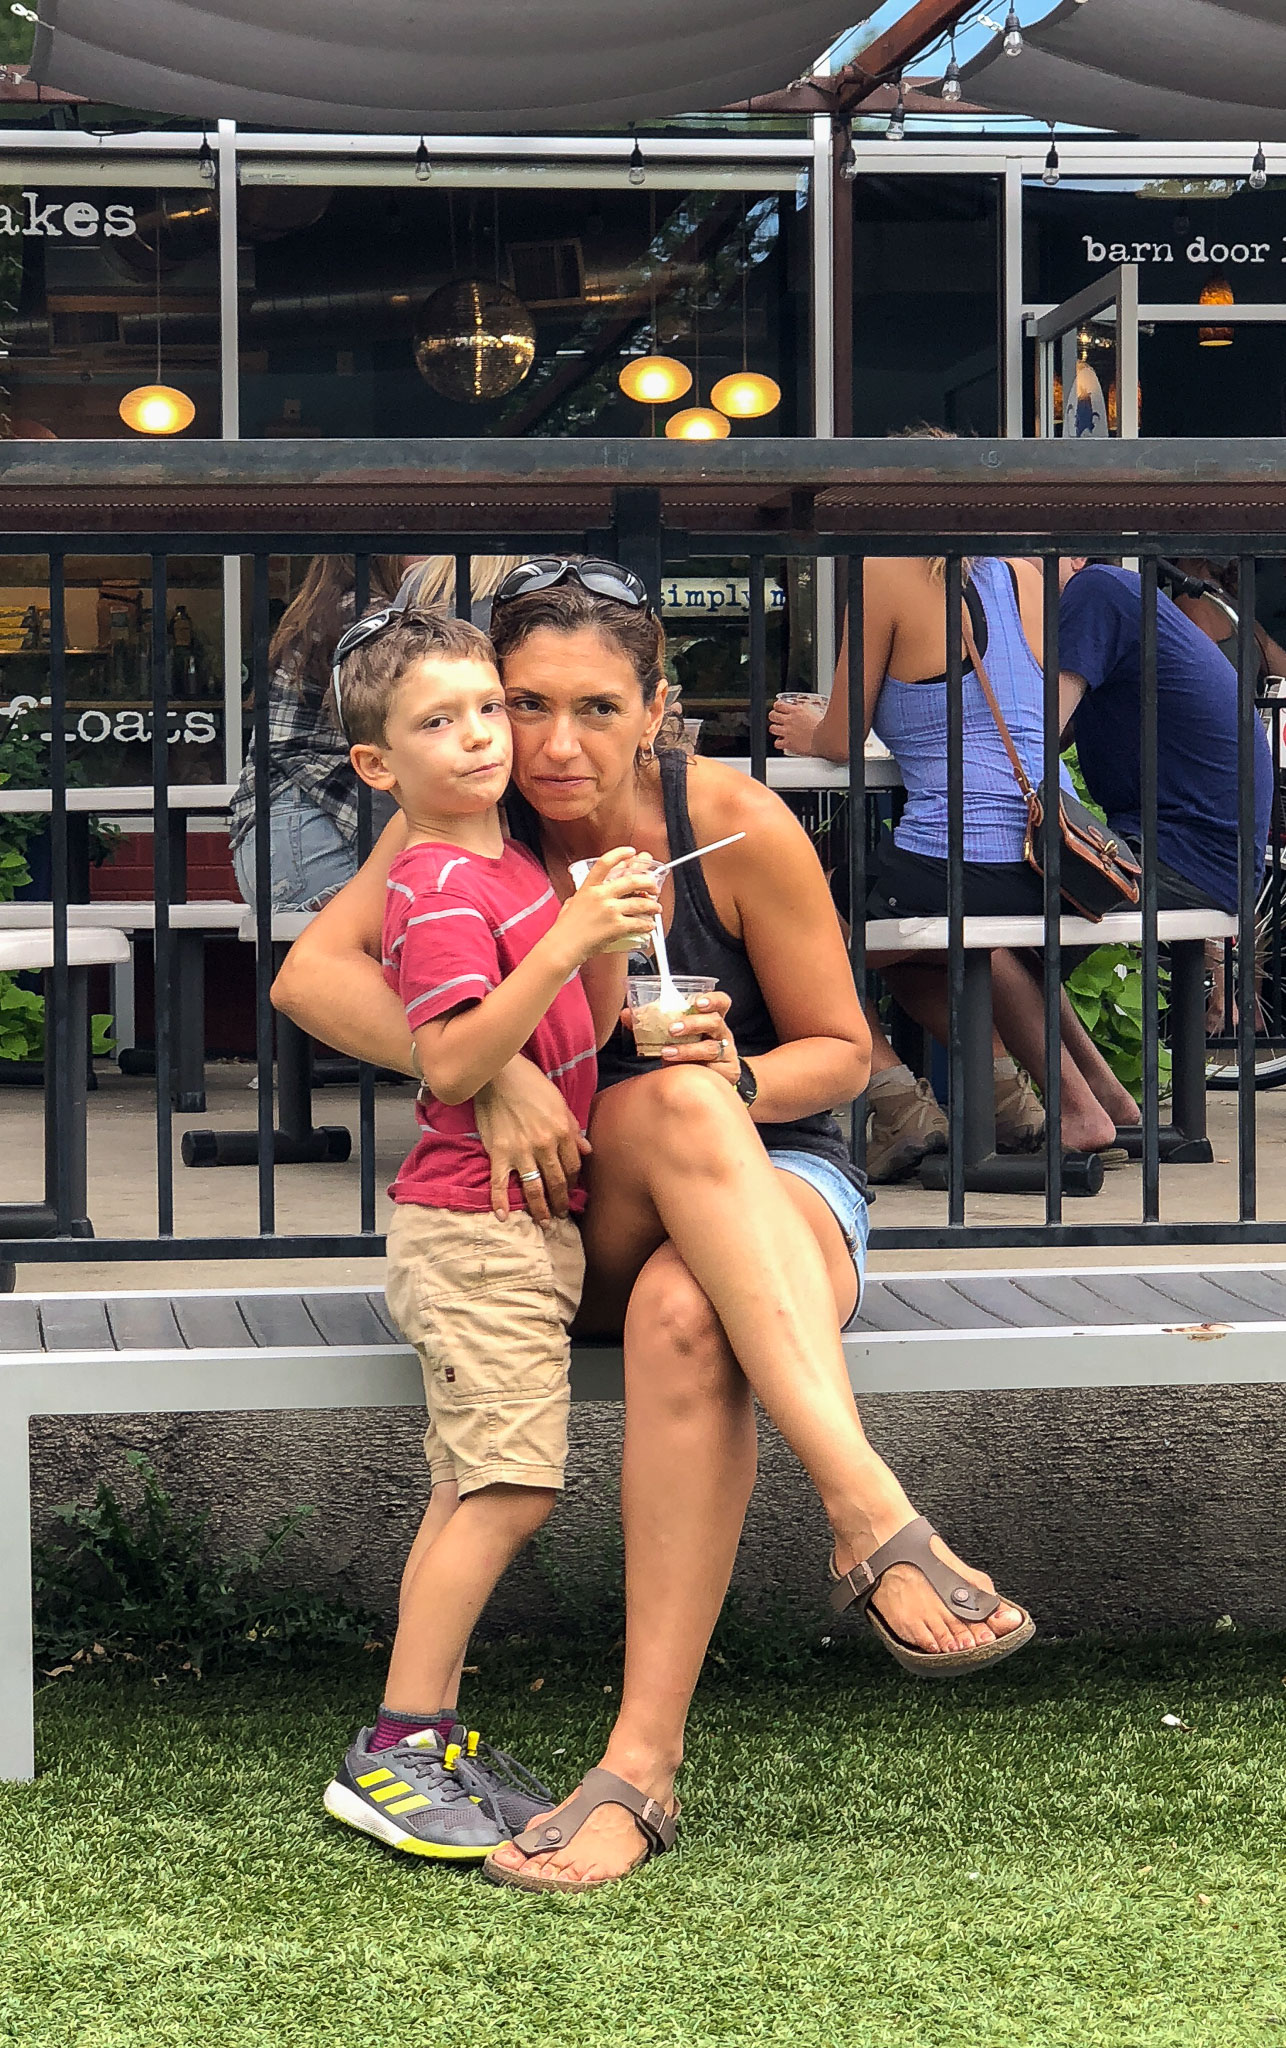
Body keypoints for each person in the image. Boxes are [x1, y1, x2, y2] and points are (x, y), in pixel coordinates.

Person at [274, 555, 1034, 1896]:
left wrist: (734, 1073)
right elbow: (309, 979)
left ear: (656, 707)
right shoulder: (466, 808)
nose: (553, 745)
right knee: (671, 1116)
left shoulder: (729, 821)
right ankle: (868, 1513)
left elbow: (841, 1055)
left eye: (597, 709)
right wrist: (494, 1074)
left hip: (776, 1179)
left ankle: (639, 1765)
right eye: (524, 703)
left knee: (691, 1290)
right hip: (578, 1206)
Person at [318, 599, 662, 1863]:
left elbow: (583, 1024)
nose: (477, 737)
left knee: (471, 1484)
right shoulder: (435, 883)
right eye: (436, 722)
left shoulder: (513, 866)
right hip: (473, 1230)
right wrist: (566, 937)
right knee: (511, 1488)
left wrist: (604, 931)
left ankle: (427, 1732)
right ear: (377, 765)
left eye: (483, 710)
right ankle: (395, 1749)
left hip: (516, 1226)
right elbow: (457, 1059)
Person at [771, 552, 1141, 1178]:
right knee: (917, 954)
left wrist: (809, 730)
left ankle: (898, 1100)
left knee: (791, 924)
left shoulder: (885, 573)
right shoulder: (1027, 575)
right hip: (1056, 857)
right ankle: (1025, 1100)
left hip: (963, 855)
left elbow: (840, 739)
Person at [228, 551, 522, 911]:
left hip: (270, 834)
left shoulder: (328, 611)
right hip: (311, 832)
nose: (434, 551)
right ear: (383, 556)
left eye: (492, 707)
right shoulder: (381, 621)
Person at [1058, 559, 1273, 918]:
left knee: (997, 895)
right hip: (1212, 860)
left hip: (1181, 856)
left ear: (1074, 558)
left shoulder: (1093, 591)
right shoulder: (1122, 599)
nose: (1003, 566)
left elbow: (1036, 735)